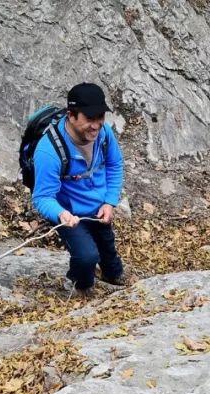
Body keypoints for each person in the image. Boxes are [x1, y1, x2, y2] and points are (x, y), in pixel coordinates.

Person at [31, 82, 128, 295]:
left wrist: (109, 202)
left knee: (107, 247)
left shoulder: (104, 134)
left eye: (100, 117)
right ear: (71, 115)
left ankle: (112, 274)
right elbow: (42, 197)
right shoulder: (48, 152)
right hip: (69, 213)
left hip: (98, 207)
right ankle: (79, 286)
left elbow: (115, 164)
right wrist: (61, 214)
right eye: (89, 118)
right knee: (86, 257)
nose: (96, 125)